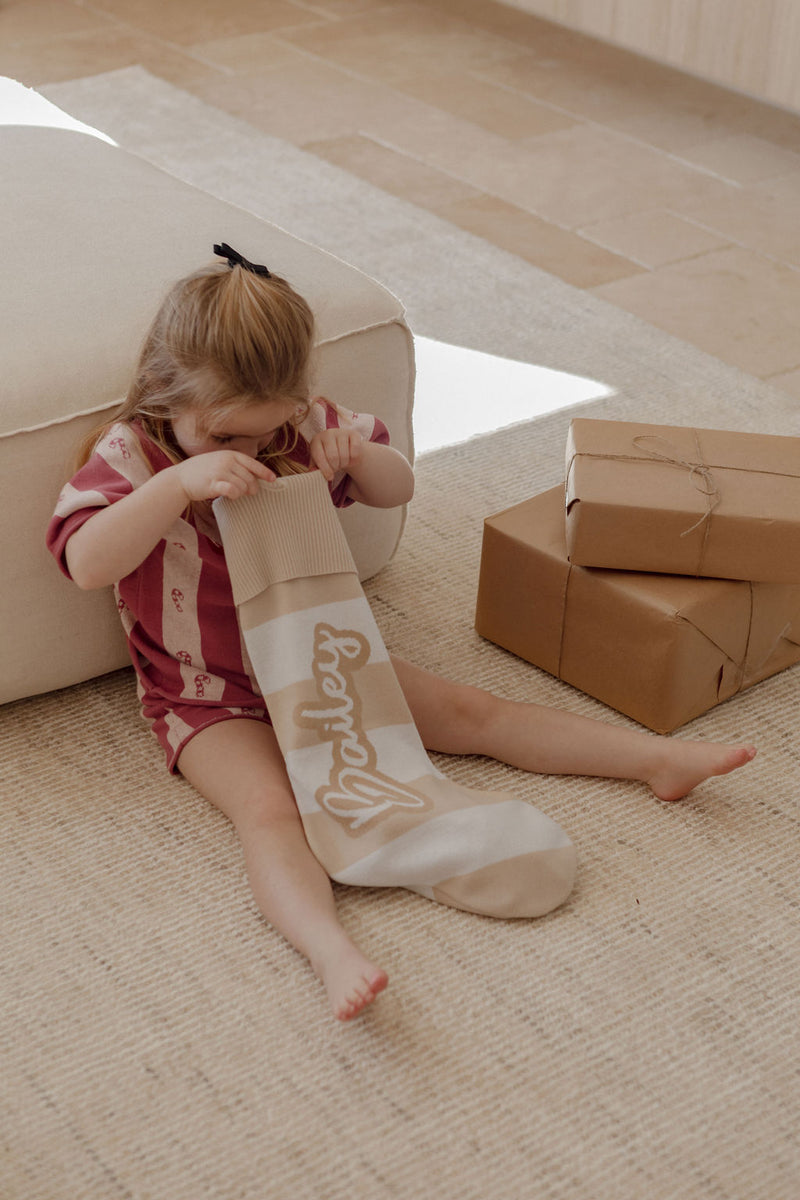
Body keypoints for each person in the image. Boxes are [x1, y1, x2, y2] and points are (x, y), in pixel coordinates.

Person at [47, 245, 757, 1022]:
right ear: (163, 394)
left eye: (265, 432)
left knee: (475, 715)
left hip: (325, 659)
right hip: (208, 694)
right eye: (223, 440)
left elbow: (397, 489)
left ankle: (656, 761)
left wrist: (362, 455)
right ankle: (328, 947)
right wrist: (178, 483)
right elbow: (87, 561)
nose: (248, 456)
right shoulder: (133, 454)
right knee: (272, 811)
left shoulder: (297, 427)